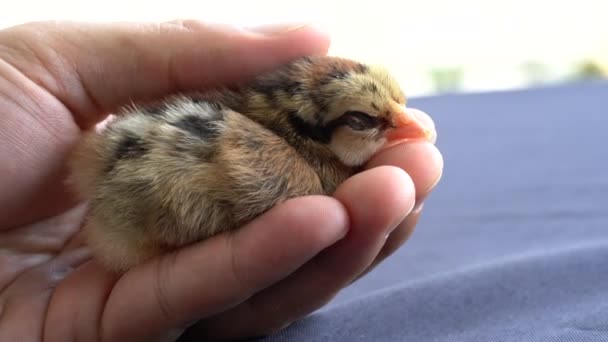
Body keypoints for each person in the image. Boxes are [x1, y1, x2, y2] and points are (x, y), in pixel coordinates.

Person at [0, 20, 443, 341]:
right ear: (309, 129)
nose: (403, 125)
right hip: (132, 214)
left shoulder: (257, 134)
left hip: (109, 211)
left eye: (397, 108)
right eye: (366, 120)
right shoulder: (293, 171)